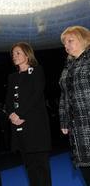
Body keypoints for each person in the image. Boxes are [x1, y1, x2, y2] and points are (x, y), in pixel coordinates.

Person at [5, 42, 51, 186]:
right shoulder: (12, 77)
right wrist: (11, 115)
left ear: (27, 54)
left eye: (18, 53)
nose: (14, 56)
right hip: (20, 128)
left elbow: (36, 96)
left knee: (41, 167)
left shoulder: (36, 71)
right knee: (29, 167)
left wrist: (20, 114)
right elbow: (8, 100)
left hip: (35, 126)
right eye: (13, 54)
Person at [59, 25, 90, 185]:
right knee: (85, 166)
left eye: (70, 40)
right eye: (64, 43)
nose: (66, 45)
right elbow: (64, 96)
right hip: (77, 127)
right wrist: (64, 120)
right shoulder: (67, 67)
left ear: (84, 39)